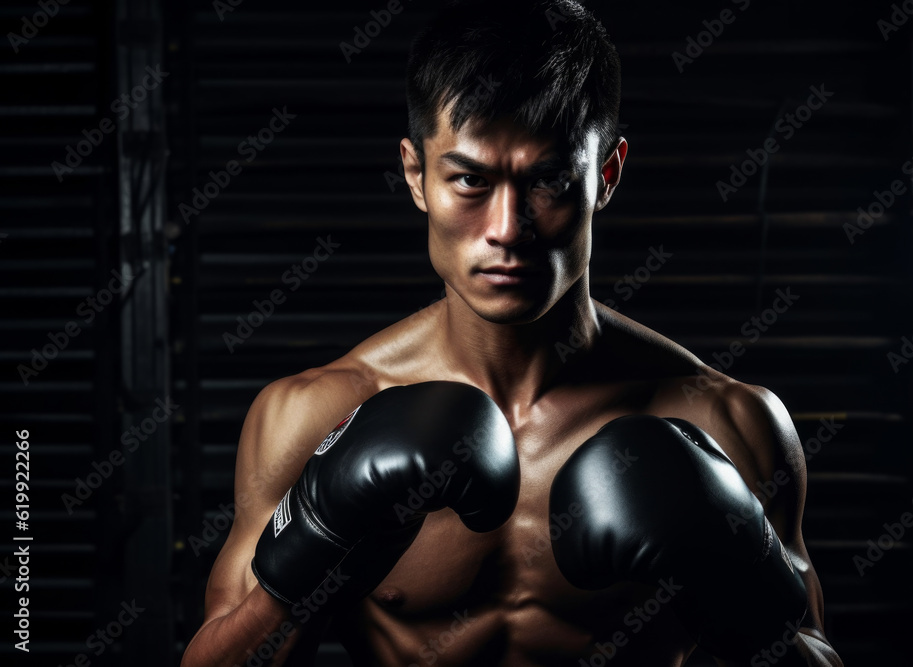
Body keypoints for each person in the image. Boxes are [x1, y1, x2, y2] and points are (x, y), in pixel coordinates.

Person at [181, 1, 844, 665]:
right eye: (470, 179)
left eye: (550, 179)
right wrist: (310, 553)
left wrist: (744, 591)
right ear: (416, 175)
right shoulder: (313, 413)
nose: (506, 228)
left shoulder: (729, 420)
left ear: (605, 175)